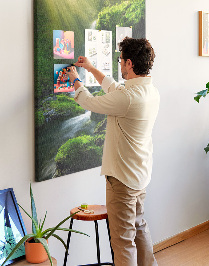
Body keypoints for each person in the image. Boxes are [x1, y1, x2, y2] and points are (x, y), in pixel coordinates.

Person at [64, 37, 159, 266]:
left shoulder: (127, 98)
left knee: (123, 241)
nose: (119, 65)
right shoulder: (150, 91)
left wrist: (75, 79)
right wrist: (90, 68)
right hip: (139, 175)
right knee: (139, 229)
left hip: (122, 180)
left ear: (129, 63)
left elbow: (89, 102)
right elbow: (114, 87)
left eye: (120, 61)